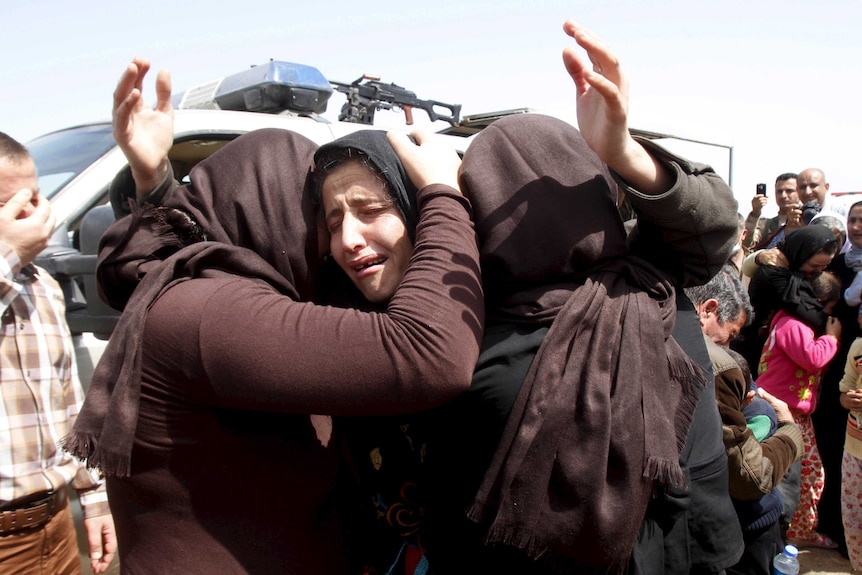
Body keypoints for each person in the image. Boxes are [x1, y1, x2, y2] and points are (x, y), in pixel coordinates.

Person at [64, 98, 485, 574]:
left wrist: (154, 181)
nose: (339, 244)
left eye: (371, 210)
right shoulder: (206, 311)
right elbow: (427, 357)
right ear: (269, 215)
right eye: (322, 221)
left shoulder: (218, 291)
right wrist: (443, 194)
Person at [421, 21, 741, 575]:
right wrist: (624, 152)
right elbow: (712, 226)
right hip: (698, 553)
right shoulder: (658, 283)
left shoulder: (472, 347)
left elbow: (450, 522)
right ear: (594, 188)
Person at [0, 133, 116, 574]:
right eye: (9, 207)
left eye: (34, 200)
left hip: (53, 527)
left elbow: (67, 405)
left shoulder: (42, 288)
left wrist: (94, 497)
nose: (31, 218)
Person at [685, 266, 804, 575]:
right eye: (731, 335)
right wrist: (791, 431)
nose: (728, 347)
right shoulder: (717, 365)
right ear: (709, 310)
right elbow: (750, 478)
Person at [755, 270, 842, 550]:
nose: (828, 317)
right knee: (801, 473)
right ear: (817, 301)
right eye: (827, 309)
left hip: (794, 412)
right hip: (783, 412)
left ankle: (794, 526)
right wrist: (832, 338)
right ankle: (793, 528)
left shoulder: (792, 322)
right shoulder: (794, 324)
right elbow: (813, 358)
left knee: (807, 472)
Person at [732, 225, 840, 374]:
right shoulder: (773, 274)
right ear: (800, 254)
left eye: (825, 266)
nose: (818, 272)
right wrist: (832, 332)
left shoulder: (796, 272)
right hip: (755, 354)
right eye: (814, 266)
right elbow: (811, 315)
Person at [837, 319, 862, 572]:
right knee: (854, 523)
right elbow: (844, 393)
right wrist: (848, 400)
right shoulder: (858, 348)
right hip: (853, 450)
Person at [742, 173, 801, 251]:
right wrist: (755, 213)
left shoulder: (808, 219)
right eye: (779, 191)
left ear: (800, 192)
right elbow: (747, 244)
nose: (783, 195)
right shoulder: (765, 225)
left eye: (789, 191)